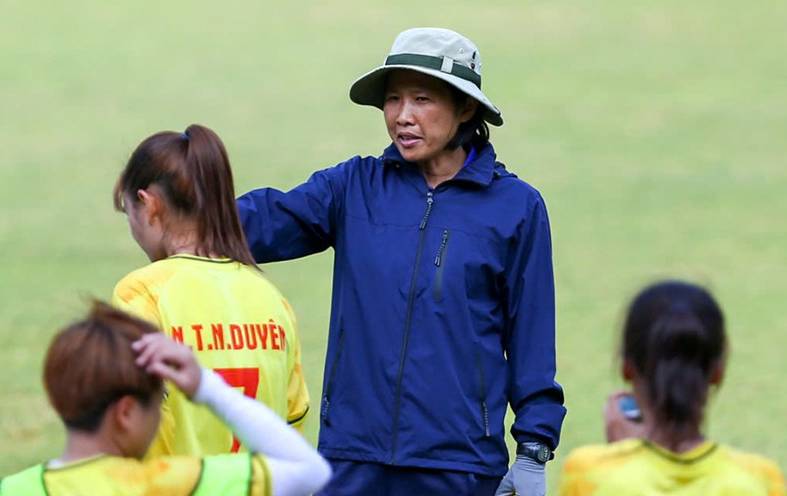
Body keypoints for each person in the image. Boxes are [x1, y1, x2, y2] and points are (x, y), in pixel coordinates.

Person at [237, 27, 565, 495]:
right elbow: (264, 221)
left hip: (460, 467)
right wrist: (184, 208)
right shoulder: (352, 187)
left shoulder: (517, 208)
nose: (402, 117)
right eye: (393, 99)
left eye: (422, 99)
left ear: (466, 108)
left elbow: (532, 339)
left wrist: (533, 452)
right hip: (351, 460)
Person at [111, 124, 309, 458]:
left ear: (149, 206)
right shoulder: (273, 301)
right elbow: (292, 426)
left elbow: (132, 430)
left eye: (128, 212)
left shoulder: (142, 294)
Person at [0, 302, 331, 496]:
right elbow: (309, 470)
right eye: (159, 402)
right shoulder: (174, 484)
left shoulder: (15, 491)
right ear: (125, 412)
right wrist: (205, 387)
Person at [556, 280, 787, 495]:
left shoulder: (587, 473)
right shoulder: (762, 480)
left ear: (626, 367)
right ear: (718, 371)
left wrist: (624, 455)